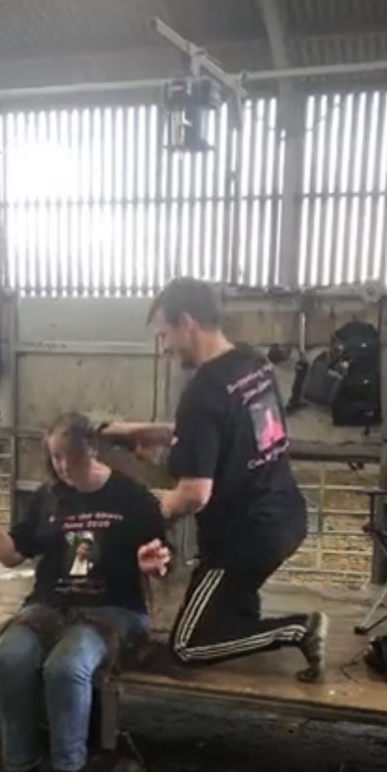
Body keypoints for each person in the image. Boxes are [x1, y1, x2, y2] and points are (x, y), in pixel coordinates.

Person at [105, 277, 327, 681]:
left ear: (186, 322)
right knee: (224, 611)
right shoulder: (251, 362)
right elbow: (215, 429)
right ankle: (241, 617)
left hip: (245, 537)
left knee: (188, 646)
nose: (166, 347)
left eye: (165, 334)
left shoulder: (202, 391)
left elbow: (193, 496)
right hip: (285, 513)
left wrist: (137, 510)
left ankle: (299, 628)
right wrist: (143, 431)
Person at [0, 412, 167, 772]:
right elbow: (13, 555)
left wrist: (151, 564)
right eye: (56, 458)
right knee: (10, 657)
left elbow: (160, 557)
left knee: (66, 666)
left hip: (114, 609)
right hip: (51, 605)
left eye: (73, 457)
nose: (65, 468)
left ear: (93, 449)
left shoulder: (133, 498)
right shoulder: (49, 497)